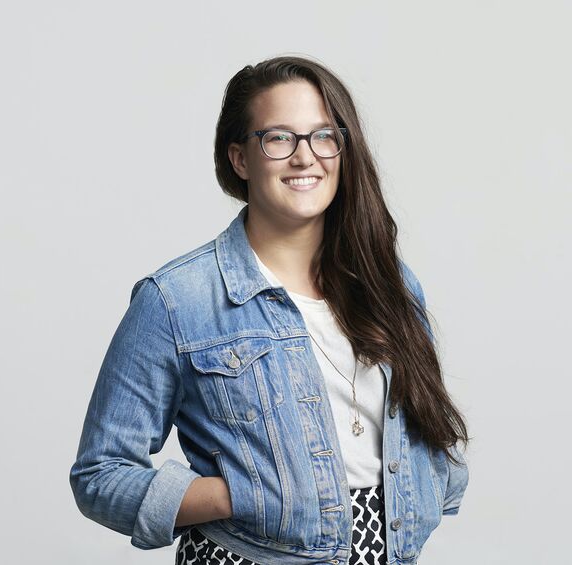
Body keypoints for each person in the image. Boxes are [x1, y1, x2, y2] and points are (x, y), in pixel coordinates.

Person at [69, 55, 470, 565]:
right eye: (279, 138)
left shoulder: (388, 282)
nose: (305, 157)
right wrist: (242, 495)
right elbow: (100, 474)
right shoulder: (177, 299)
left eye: (323, 136)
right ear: (241, 159)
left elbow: (420, 426)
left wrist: (430, 481)